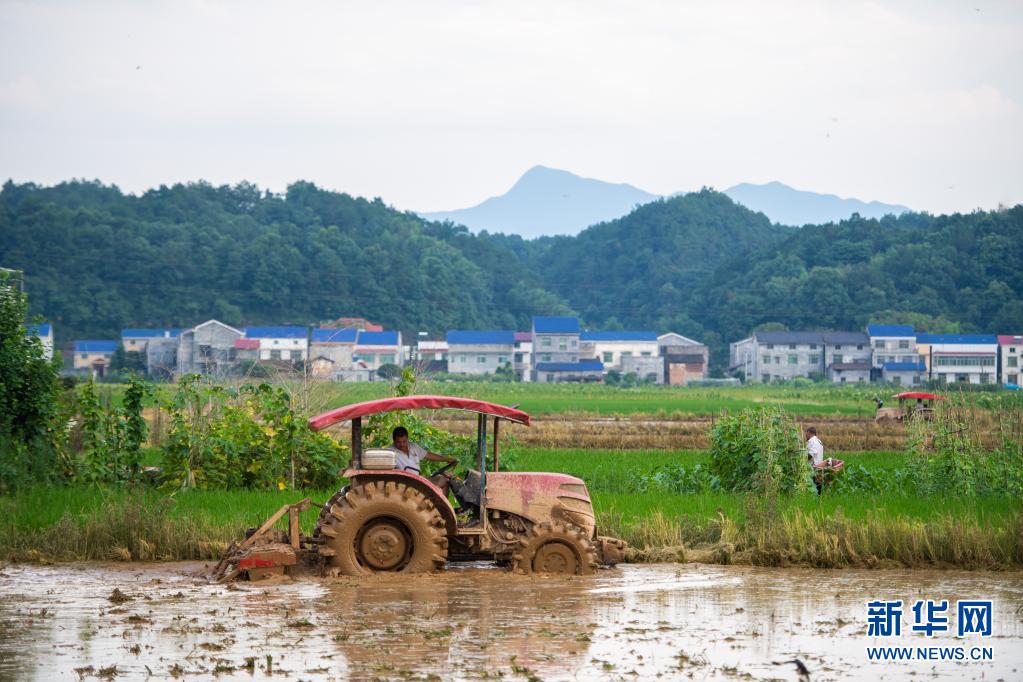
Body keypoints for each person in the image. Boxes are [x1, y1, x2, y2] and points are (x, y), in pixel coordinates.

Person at [388, 426, 458, 496]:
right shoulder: (390, 452)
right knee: (442, 482)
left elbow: (428, 455)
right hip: (406, 483)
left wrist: (446, 459)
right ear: (394, 440)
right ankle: (437, 504)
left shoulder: (413, 447)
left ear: (407, 439)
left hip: (418, 479)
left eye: (404, 441)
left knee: (444, 479)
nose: (402, 444)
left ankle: (441, 505)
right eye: (398, 442)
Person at [805, 426, 824, 495]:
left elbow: (811, 454)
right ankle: (818, 501)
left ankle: (816, 500)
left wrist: (802, 460)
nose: (805, 435)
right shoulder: (819, 441)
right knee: (818, 486)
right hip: (819, 466)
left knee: (814, 485)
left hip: (813, 467)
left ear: (809, 433)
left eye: (806, 433)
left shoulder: (812, 441)